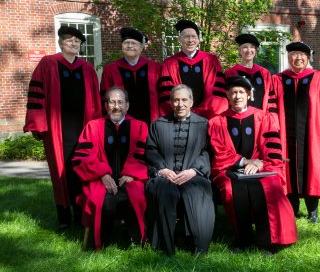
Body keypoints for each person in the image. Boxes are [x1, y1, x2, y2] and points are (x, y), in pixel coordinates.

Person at [24, 26, 101, 230]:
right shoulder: (48, 63)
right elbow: (36, 95)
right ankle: (64, 217)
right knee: (60, 170)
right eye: (69, 41)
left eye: (77, 42)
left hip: (83, 128)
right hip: (56, 129)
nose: (74, 44)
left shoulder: (87, 68)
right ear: (61, 43)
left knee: (82, 168)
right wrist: (38, 125)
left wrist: (96, 128)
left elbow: (95, 101)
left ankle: (81, 213)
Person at [208, 76, 297, 250]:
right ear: (227, 95)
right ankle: (242, 239)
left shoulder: (264, 118)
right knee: (229, 188)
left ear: (248, 95)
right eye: (233, 92)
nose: (237, 96)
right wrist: (245, 161)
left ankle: (269, 240)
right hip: (230, 169)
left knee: (271, 186)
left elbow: (272, 150)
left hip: (263, 167)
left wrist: (260, 163)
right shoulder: (217, 122)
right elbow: (218, 153)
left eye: (241, 92)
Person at [269, 42, 320, 223]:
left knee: (312, 170)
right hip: (285, 136)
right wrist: (272, 131)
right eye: (294, 54)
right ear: (288, 57)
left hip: (312, 135)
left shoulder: (318, 78)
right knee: (287, 170)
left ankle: (313, 212)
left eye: (302, 55)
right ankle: (292, 210)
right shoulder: (278, 79)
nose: (298, 58)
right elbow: (270, 108)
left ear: (308, 58)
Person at [72, 87, 148, 250]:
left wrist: (131, 174)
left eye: (120, 102)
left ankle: (136, 241)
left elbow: (144, 154)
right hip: (99, 179)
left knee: (135, 197)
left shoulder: (140, 127)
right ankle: (102, 242)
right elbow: (82, 157)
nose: (116, 106)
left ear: (127, 105)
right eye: (112, 102)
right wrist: (103, 174)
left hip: (129, 178)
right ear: (105, 105)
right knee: (101, 200)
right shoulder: (93, 127)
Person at [146, 84, 215, 255]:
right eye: (176, 100)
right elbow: (151, 150)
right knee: (165, 191)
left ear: (191, 102)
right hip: (165, 176)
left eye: (184, 100)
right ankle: (164, 246)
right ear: (170, 102)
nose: (180, 104)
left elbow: (207, 152)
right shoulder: (158, 124)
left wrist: (194, 170)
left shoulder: (203, 124)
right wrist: (163, 169)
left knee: (196, 191)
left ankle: (198, 244)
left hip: (193, 174)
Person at [158, 19, 228, 120]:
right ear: (180, 40)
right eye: (186, 37)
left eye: (194, 36)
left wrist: (202, 111)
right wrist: (182, 110)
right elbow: (166, 93)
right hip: (180, 115)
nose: (190, 40)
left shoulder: (210, 60)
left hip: (207, 116)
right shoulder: (170, 63)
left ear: (199, 40)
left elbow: (218, 92)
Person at [100, 27, 160, 124]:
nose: (130, 46)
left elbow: (162, 95)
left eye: (134, 43)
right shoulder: (111, 70)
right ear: (122, 46)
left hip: (151, 122)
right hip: (120, 123)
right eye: (126, 43)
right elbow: (105, 98)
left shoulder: (154, 68)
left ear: (141, 47)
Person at [225, 33, 271, 111]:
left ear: (255, 51)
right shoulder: (231, 73)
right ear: (239, 51)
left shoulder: (264, 73)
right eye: (245, 47)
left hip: (261, 118)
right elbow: (227, 98)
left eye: (252, 47)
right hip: (238, 118)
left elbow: (269, 97)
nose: (249, 50)